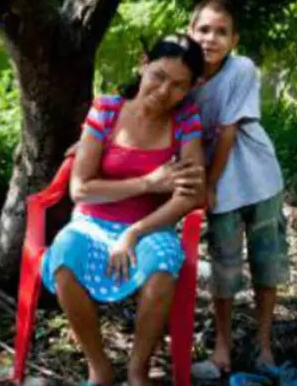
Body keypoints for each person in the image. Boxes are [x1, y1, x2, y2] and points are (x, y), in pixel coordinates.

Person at [41, 33, 206, 386]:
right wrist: (149, 182)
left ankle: (137, 371)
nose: (164, 91)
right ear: (143, 64)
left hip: (151, 226)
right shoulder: (107, 109)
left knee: (161, 267)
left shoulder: (186, 120)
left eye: (178, 85)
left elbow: (191, 194)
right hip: (92, 221)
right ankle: (99, 368)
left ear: (191, 88)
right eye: (159, 76)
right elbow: (81, 188)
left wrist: (134, 232)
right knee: (64, 257)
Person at [187, 0, 290, 378]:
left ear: (234, 40)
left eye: (221, 32)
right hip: (222, 193)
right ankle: (223, 345)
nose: (211, 38)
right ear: (189, 32)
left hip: (258, 179)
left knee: (267, 263)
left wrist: (208, 185)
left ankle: (263, 344)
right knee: (224, 266)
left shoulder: (241, 69)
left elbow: (227, 131)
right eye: (203, 29)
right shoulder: (183, 78)